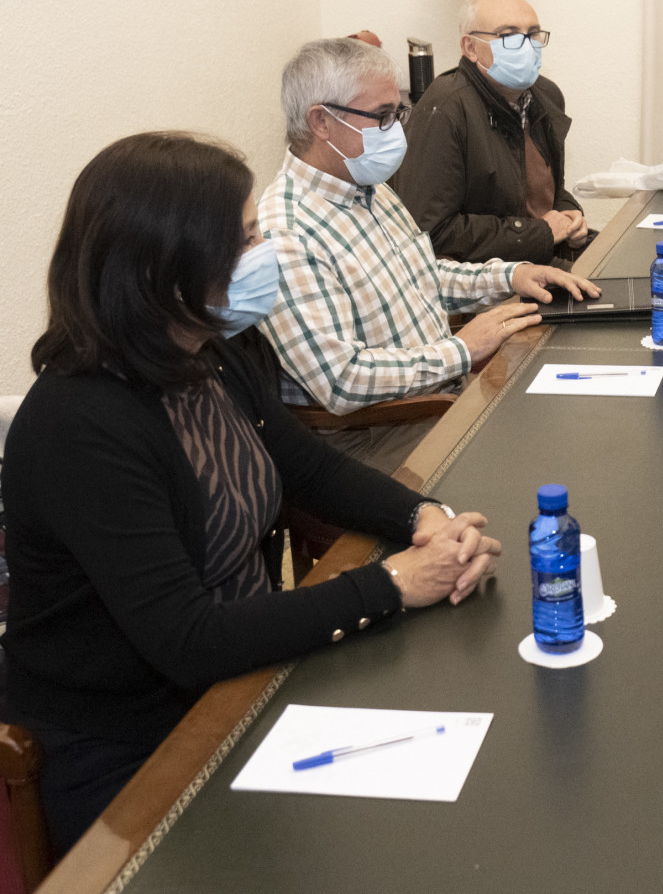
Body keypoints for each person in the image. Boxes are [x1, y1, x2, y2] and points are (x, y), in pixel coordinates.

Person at [2, 133, 501, 855]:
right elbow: (188, 640)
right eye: (244, 238)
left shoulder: (209, 352)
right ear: (162, 265)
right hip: (133, 744)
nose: (265, 251)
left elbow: (309, 469)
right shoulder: (81, 424)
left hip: (245, 675)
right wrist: (391, 584)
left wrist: (423, 516)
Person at [258, 37, 598, 472]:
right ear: (321, 122)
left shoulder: (370, 189)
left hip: (435, 400)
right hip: (369, 438)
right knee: (551, 457)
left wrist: (511, 276)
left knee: (573, 417)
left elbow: (419, 277)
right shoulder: (285, 234)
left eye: (397, 113)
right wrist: (461, 350)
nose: (396, 131)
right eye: (382, 117)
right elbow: (341, 380)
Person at [391, 0, 591, 266]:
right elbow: (430, 231)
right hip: (483, 276)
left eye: (533, 34)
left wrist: (570, 215)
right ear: (470, 47)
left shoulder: (546, 95)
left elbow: (545, 193)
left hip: (541, 256)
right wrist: (538, 233)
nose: (525, 45)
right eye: (508, 35)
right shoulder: (445, 108)